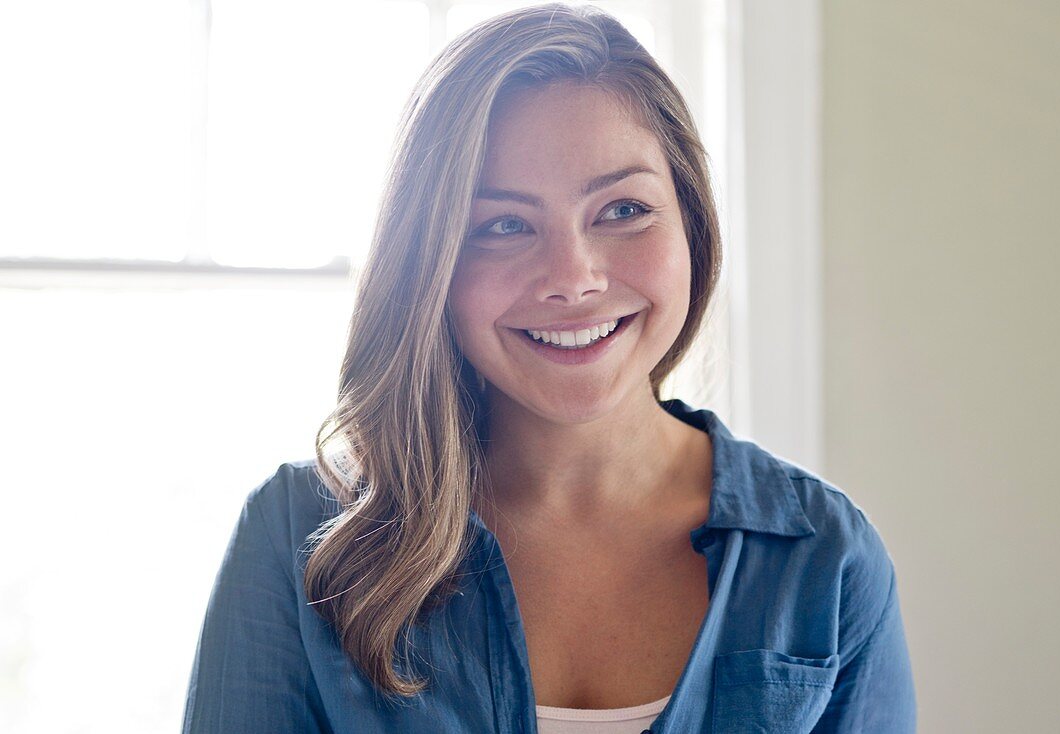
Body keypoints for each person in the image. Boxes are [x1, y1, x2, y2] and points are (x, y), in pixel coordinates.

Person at [183, 4, 916, 732]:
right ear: (429, 262)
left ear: (692, 220)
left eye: (623, 209)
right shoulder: (295, 540)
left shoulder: (826, 560)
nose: (574, 277)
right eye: (503, 225)